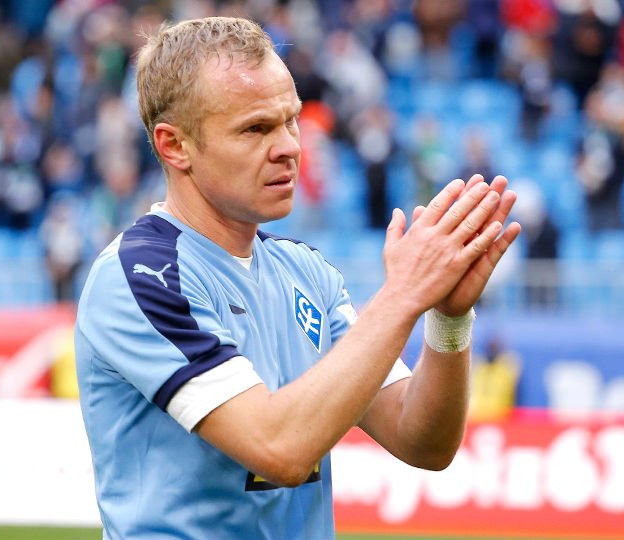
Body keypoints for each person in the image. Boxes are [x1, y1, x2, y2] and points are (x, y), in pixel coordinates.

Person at [74, 16, 521, 540]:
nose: (289, 146)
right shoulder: (141, 275)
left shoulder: (305, 271)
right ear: (175, 146)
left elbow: (422, 441)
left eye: (292, 121)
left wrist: (448, 319)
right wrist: (403, 295)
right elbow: (279, 449)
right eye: (255, 129)